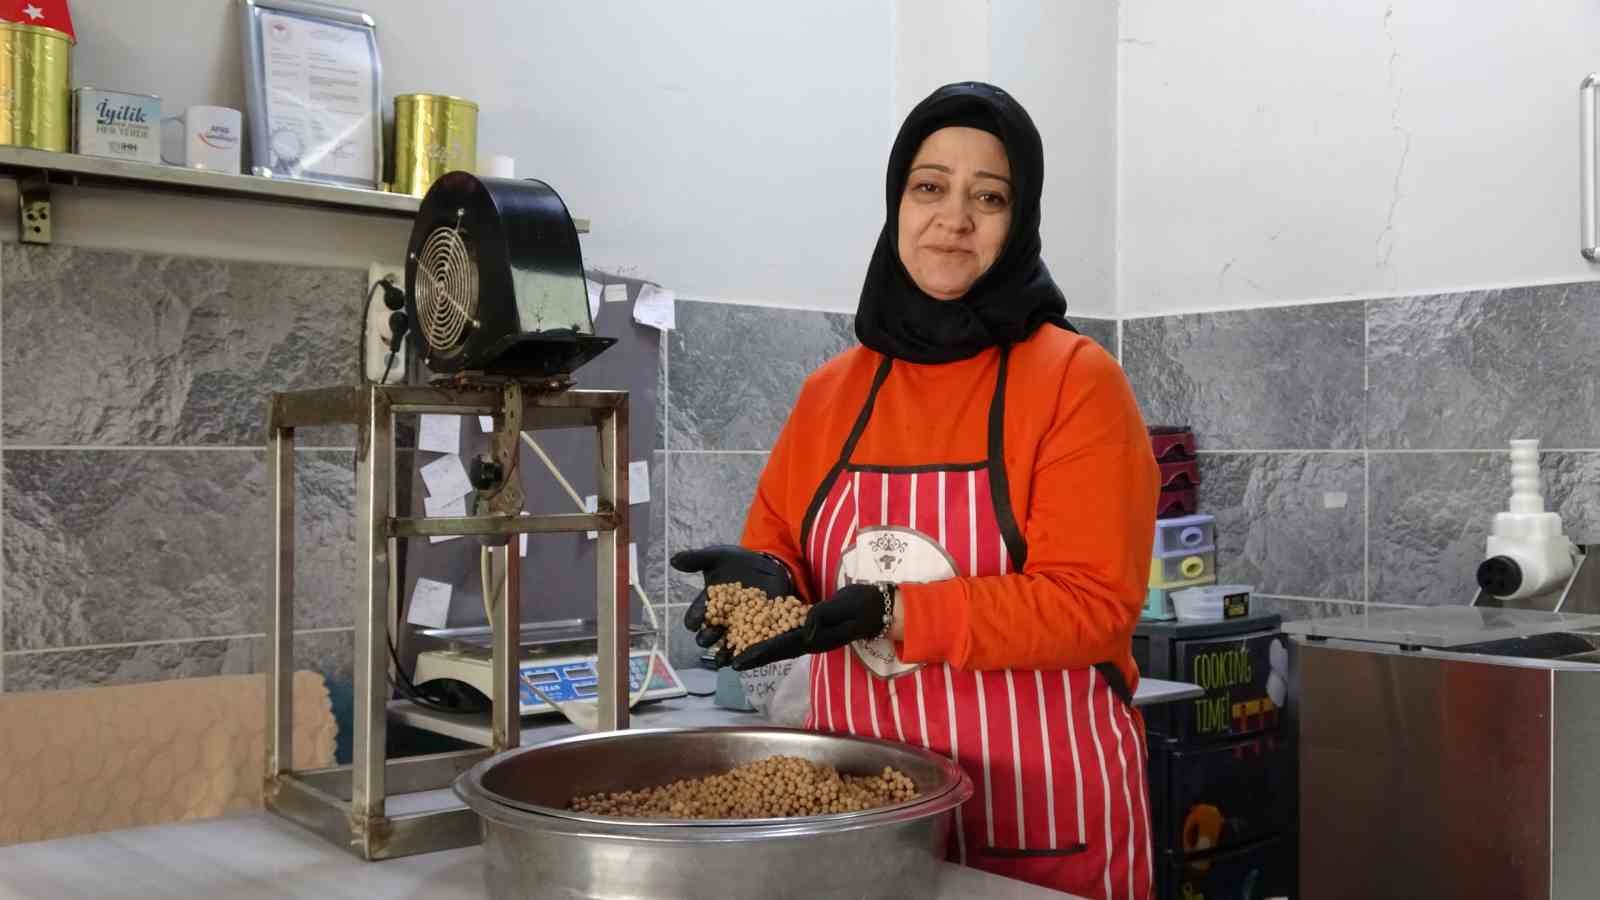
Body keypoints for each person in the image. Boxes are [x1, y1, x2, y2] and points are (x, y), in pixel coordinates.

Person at [673, 82, 1158, 900]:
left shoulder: (1076, 382)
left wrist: (894, 612)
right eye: (929, 186)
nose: (954, 218)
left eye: (989, 196)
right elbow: (780, 541)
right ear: (897, 202)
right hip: (862, 823)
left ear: (1021, 218)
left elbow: (1092, 604)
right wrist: (759, 578)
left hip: (1040, 827)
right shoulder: (833, 392)